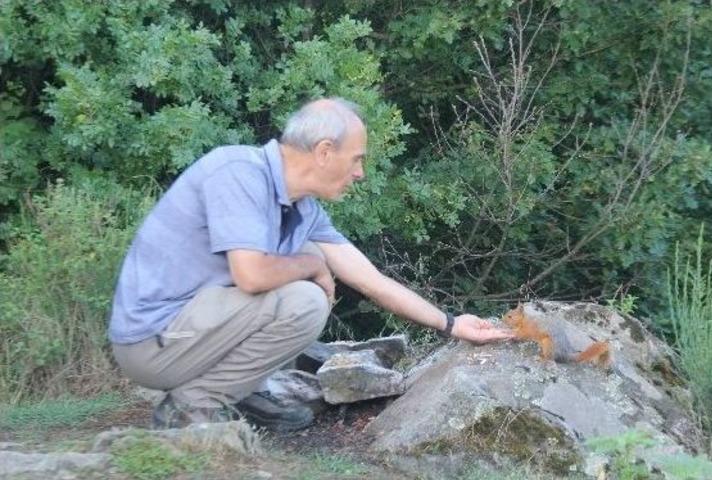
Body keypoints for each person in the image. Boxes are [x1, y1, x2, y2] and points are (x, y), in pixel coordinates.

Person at [109, 97, 514, 431]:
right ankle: (190, 408)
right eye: (356, 159)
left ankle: (237, 392)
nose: (360, 173)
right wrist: (310, 264)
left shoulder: (303, 210)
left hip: (193, 337)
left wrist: (450, 323)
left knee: (306, 284)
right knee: (304, 299)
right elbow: (250, 275)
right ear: (323, 151)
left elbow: (369, 279)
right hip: (152, 343)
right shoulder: (238, 172)